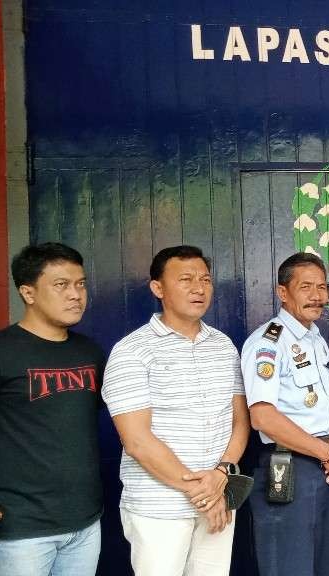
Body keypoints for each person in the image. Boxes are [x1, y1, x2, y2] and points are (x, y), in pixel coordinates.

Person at [101, 245, 249, 576]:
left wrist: (221, 475)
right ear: (158, 288)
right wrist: (203, 493)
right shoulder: (132, 351)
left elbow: (240, 422)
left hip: (219, 495)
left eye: (206, 279)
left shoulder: (223, 346)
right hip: (159, 508)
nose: (199, 288)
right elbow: (137, 440)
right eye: (185, 279)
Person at [240, 252, 329, 575]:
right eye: (306, 287)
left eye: (321, 287)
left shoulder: (315, 338)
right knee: (291, 567)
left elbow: (328, 400)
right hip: (290, 468)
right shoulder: (268, 342)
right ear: (282, 292)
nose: (317, 296)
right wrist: (328, 452)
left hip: (328, 466)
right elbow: (262, 417)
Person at [0, 243, 106, 575]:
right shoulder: (3, 351)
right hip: (23, 528)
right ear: (27, 292)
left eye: (81, 283)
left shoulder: (90, 352)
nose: (76, 294)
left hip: (85, 522)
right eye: (61, 285)